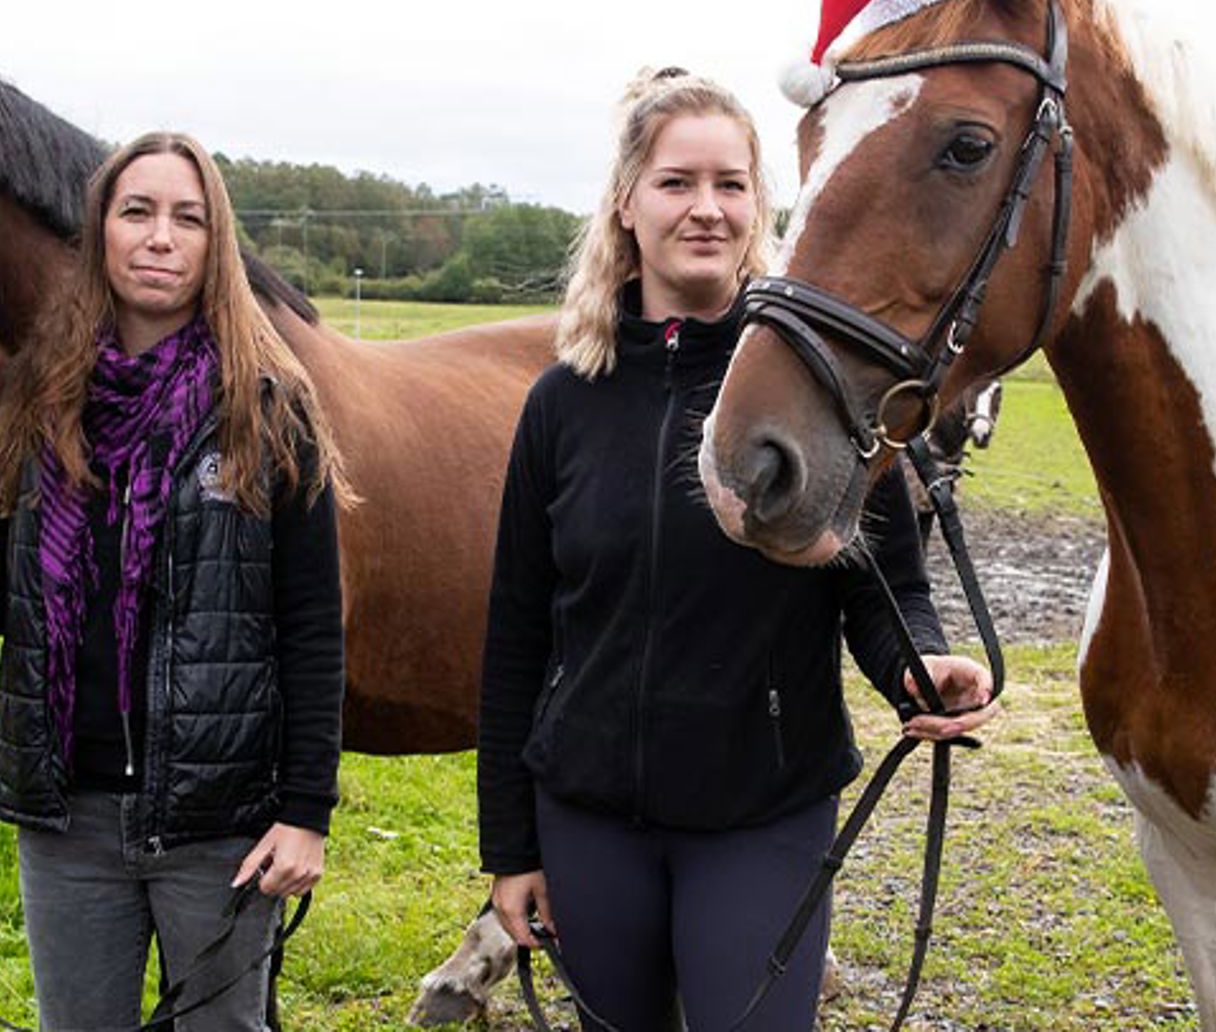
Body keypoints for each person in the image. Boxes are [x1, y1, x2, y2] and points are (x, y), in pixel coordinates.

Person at [477, 69, 997, 1031]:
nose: (706, 209)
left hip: (760, 819)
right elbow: (515, 634)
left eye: (731, 184)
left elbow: (884, 594)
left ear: (760, 205)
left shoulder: (827, 391)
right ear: (627, 204)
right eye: (677, 183)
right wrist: (510, 847)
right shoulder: (563, 402)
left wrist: (919, 667)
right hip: (589, 821)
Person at [0, 132, 348, 1030]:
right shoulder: (39, 405)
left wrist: (306, 812)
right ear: (101, 233)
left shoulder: (270, 405)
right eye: (137, 212)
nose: (161, 237)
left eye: (187, 218)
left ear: (214, 244)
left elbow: (311, 626)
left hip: (218, 829)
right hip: (67, 824)